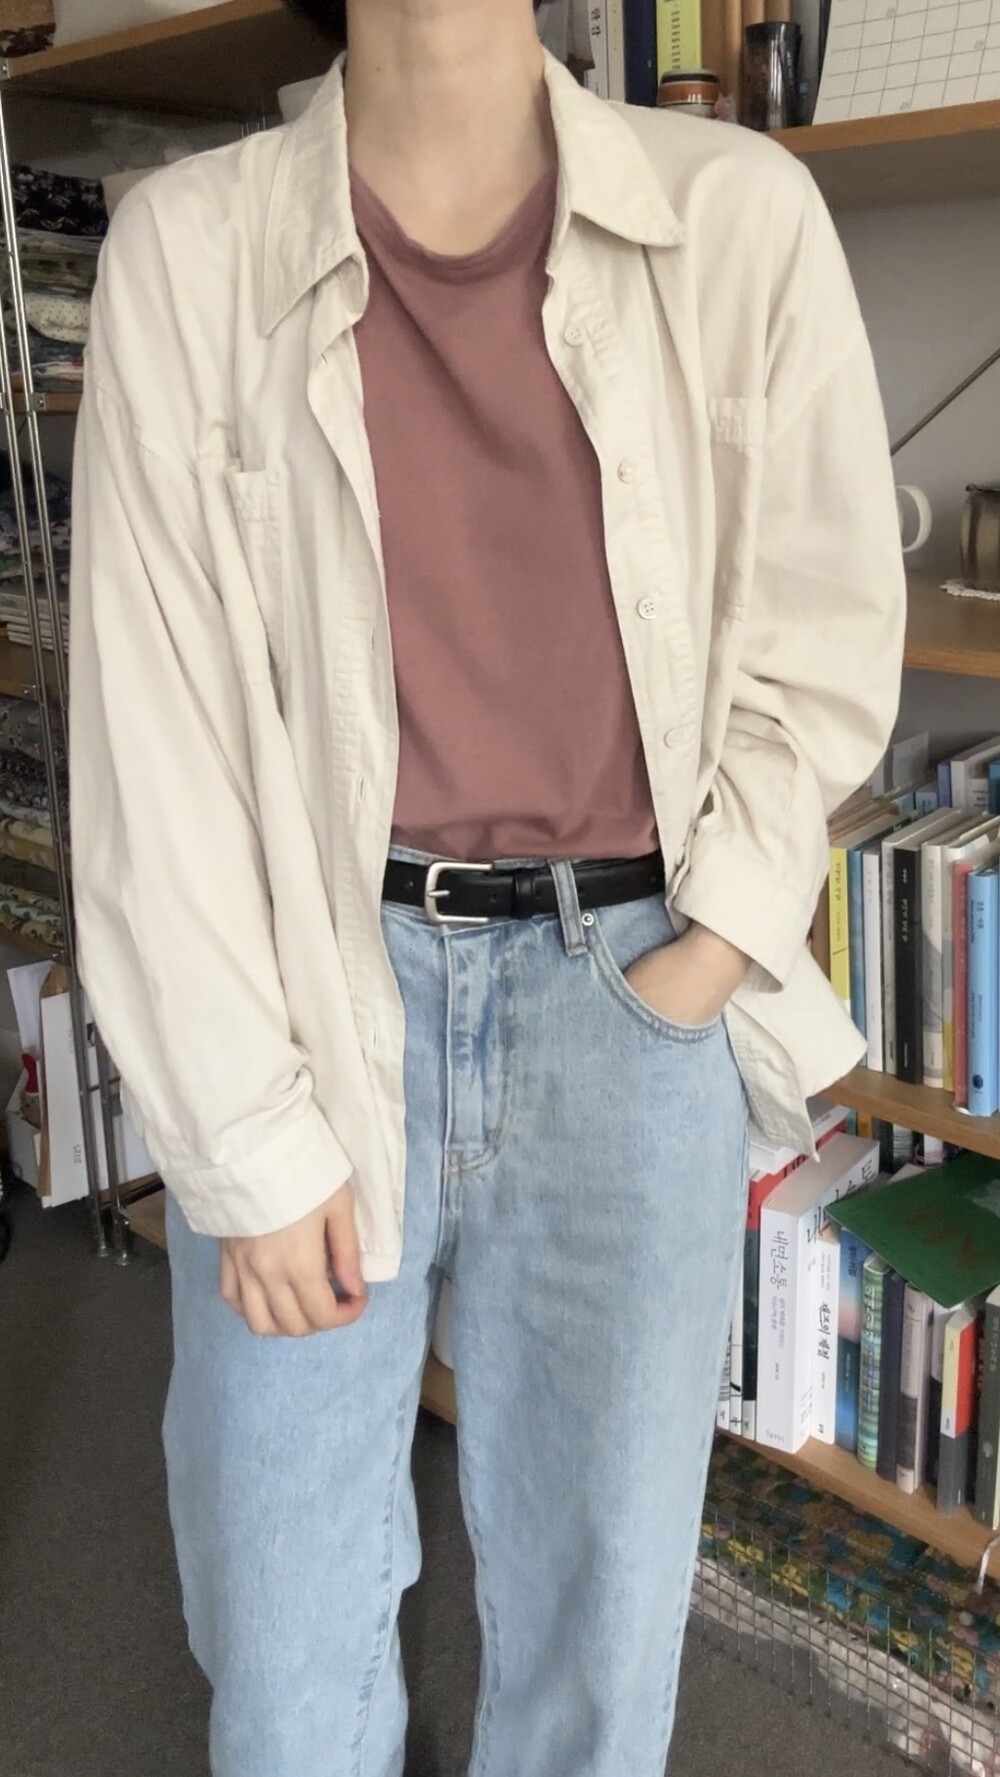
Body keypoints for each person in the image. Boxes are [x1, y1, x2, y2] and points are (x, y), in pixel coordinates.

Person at [68, 0, 905, 1772]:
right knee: (282, 1652)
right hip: (311, 991)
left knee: (603, 1631)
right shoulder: (188, 252)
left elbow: (823, 640)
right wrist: (245, 1128)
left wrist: (706, 956)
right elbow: (155, 733)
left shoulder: (735, 216)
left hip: (630, 991)